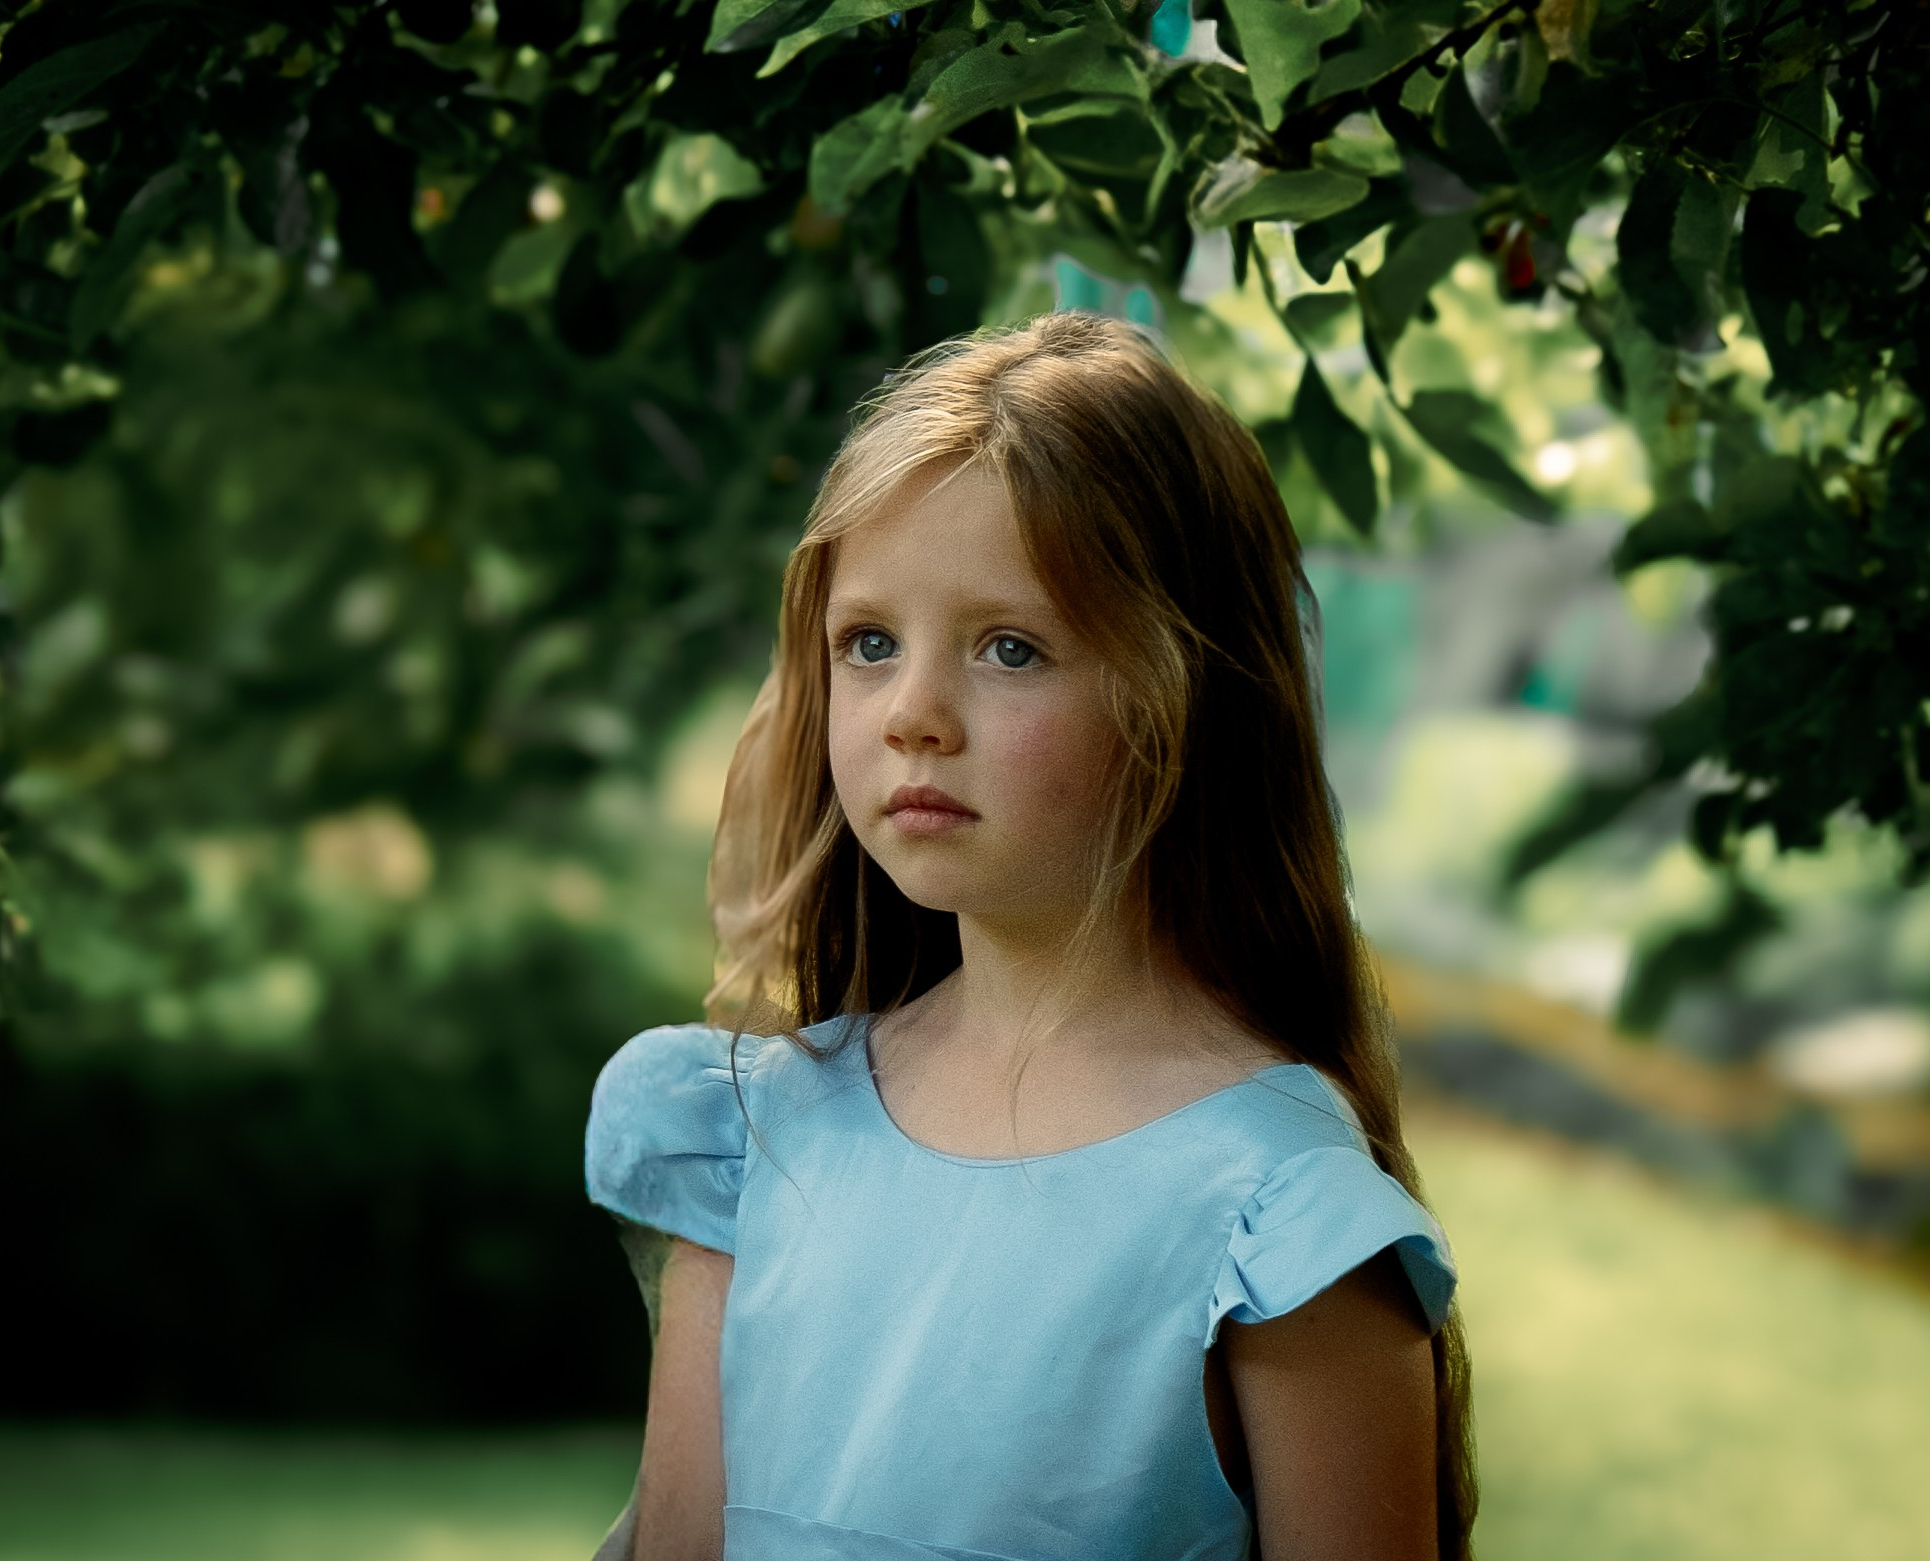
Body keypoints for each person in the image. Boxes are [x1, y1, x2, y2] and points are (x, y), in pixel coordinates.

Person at [584, 312, 1474, 1561]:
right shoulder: (753, 1136)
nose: (912, 714)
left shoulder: (1277, 1220)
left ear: (1190, 693)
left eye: (1010, 648)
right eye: (868, 643)